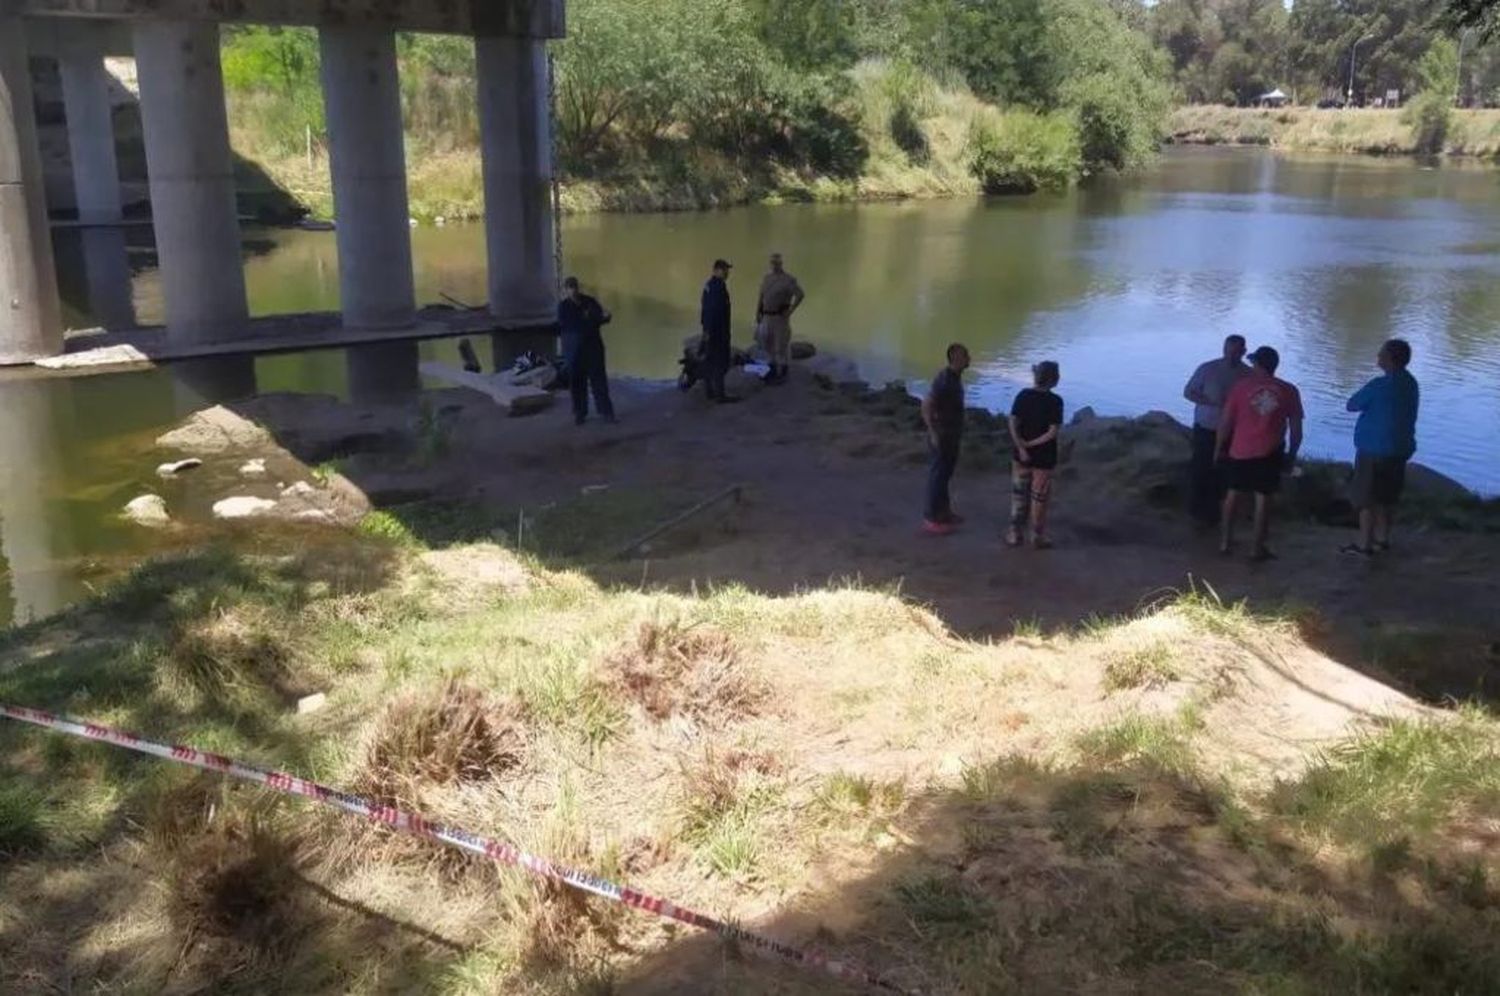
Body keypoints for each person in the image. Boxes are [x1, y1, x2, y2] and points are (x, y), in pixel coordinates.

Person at [1217, 345, 1303, 561]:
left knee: (1233, 494)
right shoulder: (1289, 390)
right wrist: (1292, 454)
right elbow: (1296, 429)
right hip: (1270, 450)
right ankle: (1257, 547)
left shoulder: (1241, 387)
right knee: (1264, 499)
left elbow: (1226, 422)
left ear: (1257, 365)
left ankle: (1225, 542)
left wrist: (1218, 448)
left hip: (1240, 449)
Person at [1342, 338, 1419, 558]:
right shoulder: (1411, 383)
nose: (1377, 357)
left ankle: (1364, 545)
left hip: (1373, 450)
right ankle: (1383, 539)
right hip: (1400, 449)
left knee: (1366, 499)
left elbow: (1351, 404)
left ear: (1389, 359)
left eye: (1381, 354)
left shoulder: (1379, 385)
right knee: (1387, 497)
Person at [1183, 334, 1249, 526]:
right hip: (1207, 427)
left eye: (1236, 352)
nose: (1231, 356)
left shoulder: (1248, 374)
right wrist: (1210, 402)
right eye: (1228, 351)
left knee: (1226, 472)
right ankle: (1196, 511)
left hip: (1234, 432)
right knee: (1201, 468)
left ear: (1243, 352)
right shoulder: (1208, 369)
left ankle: (1219, 513)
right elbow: (1188, 392)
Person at [1006, 361, 1064, 549]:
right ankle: (1037, 536)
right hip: (1044, 457)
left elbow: (1013, 422)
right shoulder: (1055, 401)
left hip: (1020, 455)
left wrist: (1022, 446)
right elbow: (1052, 432)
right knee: (1039, 497)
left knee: (1018, 495)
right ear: (1053, 379)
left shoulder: (1023, 396)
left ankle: (1015, 534)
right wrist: (1031, 445)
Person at [920, 343, 971, 535]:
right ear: (956, 358)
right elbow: (927, 405)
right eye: (966, 355)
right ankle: (931, 518)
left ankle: (944, 513)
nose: (969, 358)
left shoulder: (955, 378)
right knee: (938, 475)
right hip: (941, 435)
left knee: (945, 474)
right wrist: (933, 433)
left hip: (952, 434)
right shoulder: (944, 380)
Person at [558, 276, 616, 426]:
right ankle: (580, 414)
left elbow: (599, 317)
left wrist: (604, 318)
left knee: (599, 382)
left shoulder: (589, 302)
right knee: (577, 384)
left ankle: (606, 412)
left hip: (593, 349)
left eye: (574, 287)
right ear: (566, 290)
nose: (573, 290)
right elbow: (567, 325)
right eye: (570, 287)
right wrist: (591, 320)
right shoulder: (564, 307)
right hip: (575, 352)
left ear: (578, 287)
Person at [755, 252, 804, 384]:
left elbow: (800, 294)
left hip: (779, 318)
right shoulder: (766, 278)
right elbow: (761, 296)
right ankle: (771, 371)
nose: (774, 265)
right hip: (766, 315)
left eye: (777, 263)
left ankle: (782, 372)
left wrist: (790, 310)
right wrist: (757, 312)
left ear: (781, 264)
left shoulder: (788, 280)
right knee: (766, 344)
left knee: (779, 345)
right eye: (772, 263)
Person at [700, 259, 735, 403]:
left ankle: (709, 391)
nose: (727, 273)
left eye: (727, 270)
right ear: (716, 270)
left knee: (710, 361)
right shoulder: (718, 287)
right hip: (718, 332)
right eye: (724, 270)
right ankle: (720, 395)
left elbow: (705, 310)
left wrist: (705, 330)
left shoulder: (709, 285)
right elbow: (713, 311)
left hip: (710, 330)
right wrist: (710, 331)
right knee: (720, 362)